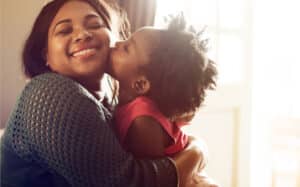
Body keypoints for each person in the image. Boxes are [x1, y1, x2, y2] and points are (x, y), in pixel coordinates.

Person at [0, 0, 206, 186]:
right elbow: (129, 183)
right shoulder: (50, 93)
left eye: (94, 25)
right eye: (64, 31)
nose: (82, 34)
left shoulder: (111, 104)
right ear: (46, 55)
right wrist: (196, 153)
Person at [107, 14, 218, 186]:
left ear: (140, 84)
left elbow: (156, 179)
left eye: (127, 48)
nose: (118, 43)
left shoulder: (142, 120)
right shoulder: (131, 104)